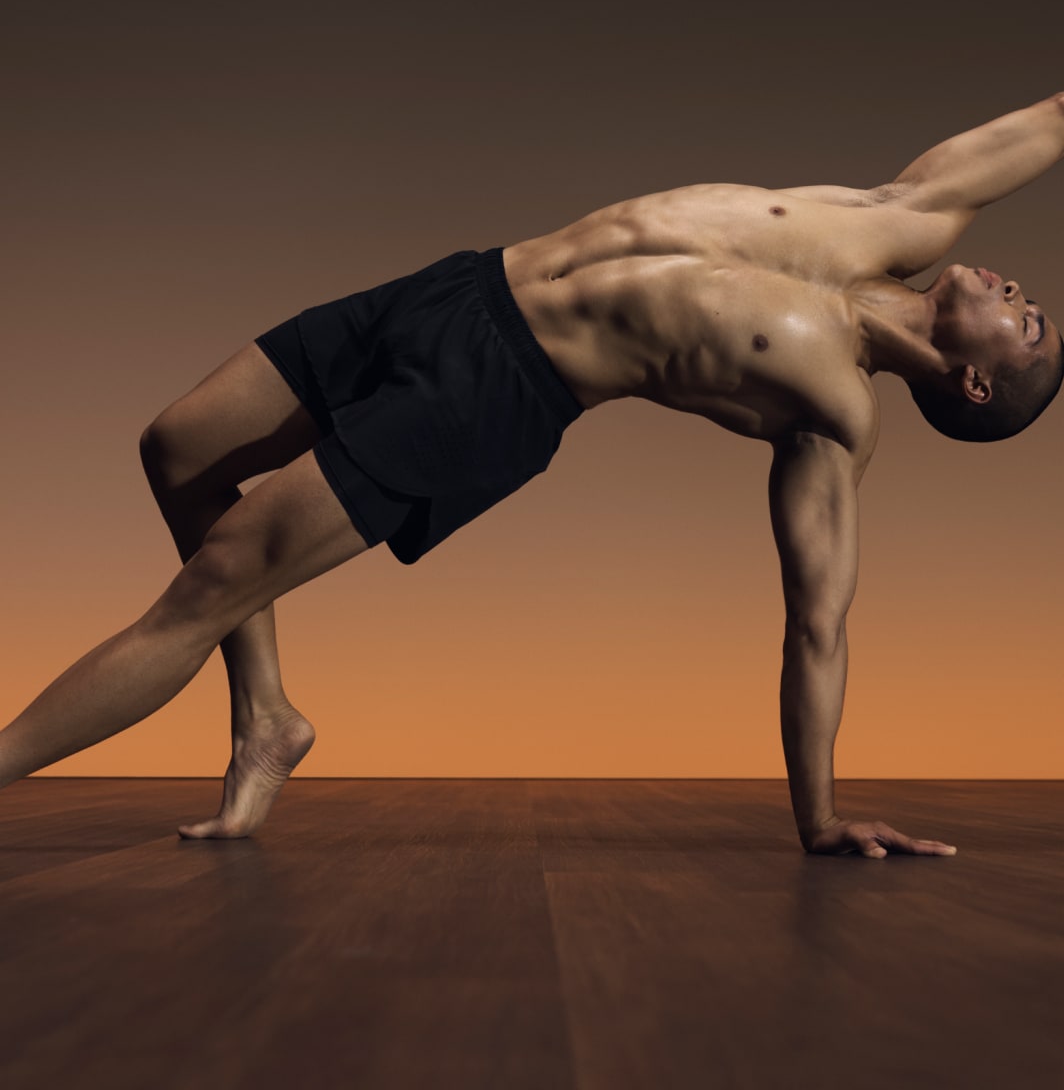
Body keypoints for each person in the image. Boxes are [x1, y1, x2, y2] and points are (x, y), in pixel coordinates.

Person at [2, 92, 1062, 859]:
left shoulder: (834, 411)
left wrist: (818, 818)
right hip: (460, 288)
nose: (1020, 293)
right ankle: (267, 718)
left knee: (207, 590)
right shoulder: (899, 214)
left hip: (492, 390)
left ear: (974, 385)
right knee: (178, 447)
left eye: (1030, 326)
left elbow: (817, 624)